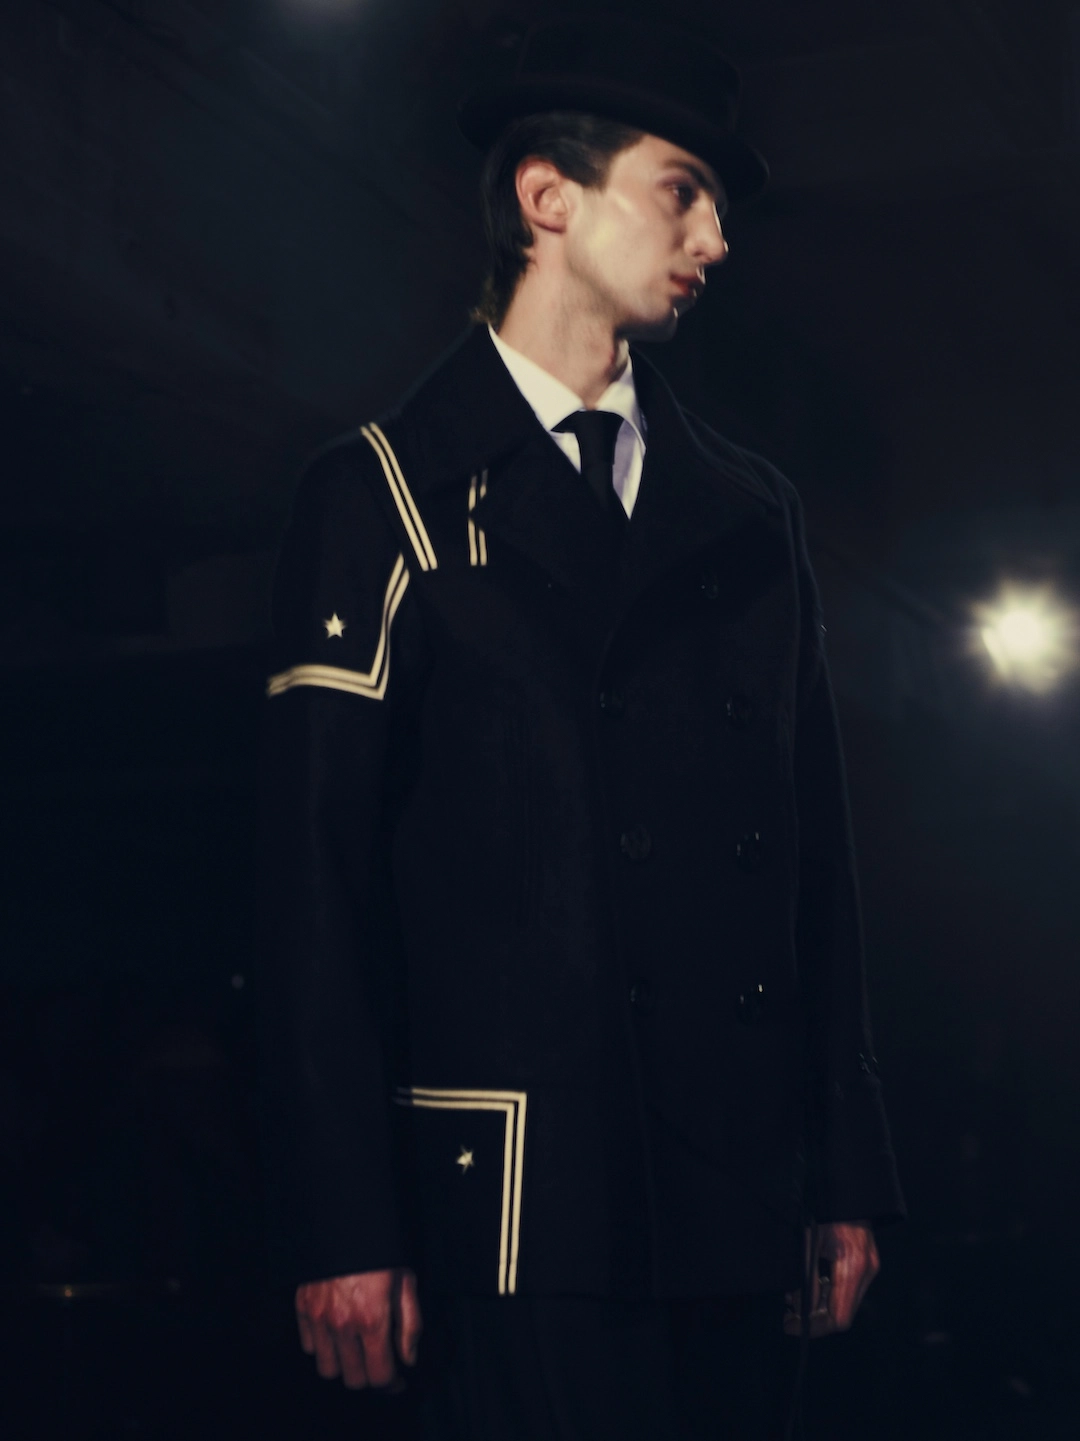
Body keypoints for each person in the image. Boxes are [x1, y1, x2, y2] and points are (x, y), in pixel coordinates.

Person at [256, 17, 905, 1439]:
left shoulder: (752, 513)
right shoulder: (382, 494)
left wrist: (843, 1174)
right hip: (514, 1201)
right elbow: (315, 892)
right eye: (683, 190)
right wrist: (341, 1219)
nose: (716, 238)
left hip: (740, 1192)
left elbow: (817, 870)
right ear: (548, 196)